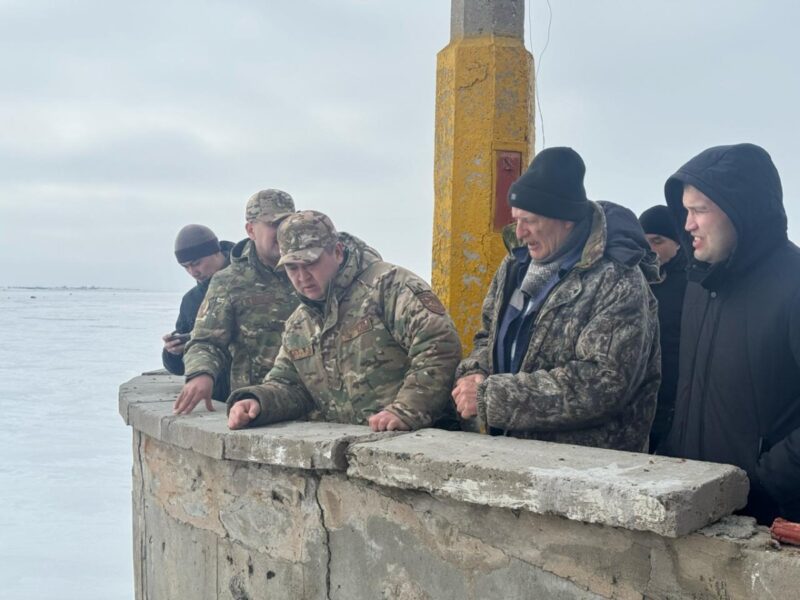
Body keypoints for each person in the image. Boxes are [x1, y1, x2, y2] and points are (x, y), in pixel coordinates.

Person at [452, 147, 660, 451]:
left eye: (531, 221)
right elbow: (487, 337)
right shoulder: (515, 266)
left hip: (589, 470)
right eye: (516, 220)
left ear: (566, 219)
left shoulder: (618, 277)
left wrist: (491, 397)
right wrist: (474, 374)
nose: (520, 233)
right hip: (512, 454)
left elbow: (604, 383)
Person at [660, 143, 800, 524]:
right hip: (695, 509)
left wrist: (761, 482)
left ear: (744, 212)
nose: (688, 224)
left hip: (769, 520)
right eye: (685, 210)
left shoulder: (794, 282)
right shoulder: (700, 284)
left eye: (700, 210)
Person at [226, 210, 462, 432]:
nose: (301, 276)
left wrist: (406, 410)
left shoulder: (388, 286)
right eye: (291, 267)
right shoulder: (300, 322)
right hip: (356, 458)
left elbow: (439, 344)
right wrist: (258, 401)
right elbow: (290, 384)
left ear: (337, 252)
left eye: (310, 264)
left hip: (421, 443)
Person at [173, 189, 300, 415]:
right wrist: (201, 373)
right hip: (256, 407)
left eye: (287, 222)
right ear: (251, 230)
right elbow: (205, 341)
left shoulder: (314, 266)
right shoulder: (229, 281)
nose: (283, 232)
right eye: (273, 225)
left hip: (316, 402)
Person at [162, 224, 234, 401]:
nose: (193, 272)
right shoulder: (191, 301)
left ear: (215, 252)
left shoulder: (251, 278)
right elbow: (180, 369)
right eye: (185, 267)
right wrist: (173, 352)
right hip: (218, 399)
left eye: (196, 263)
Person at [638, 206, 688, 453]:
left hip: (675, 401)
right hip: (638, 398)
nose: (650, 249)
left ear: (678, 243)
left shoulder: (694, 284)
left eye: (658, 241)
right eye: (644, 241)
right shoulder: (633, 281)